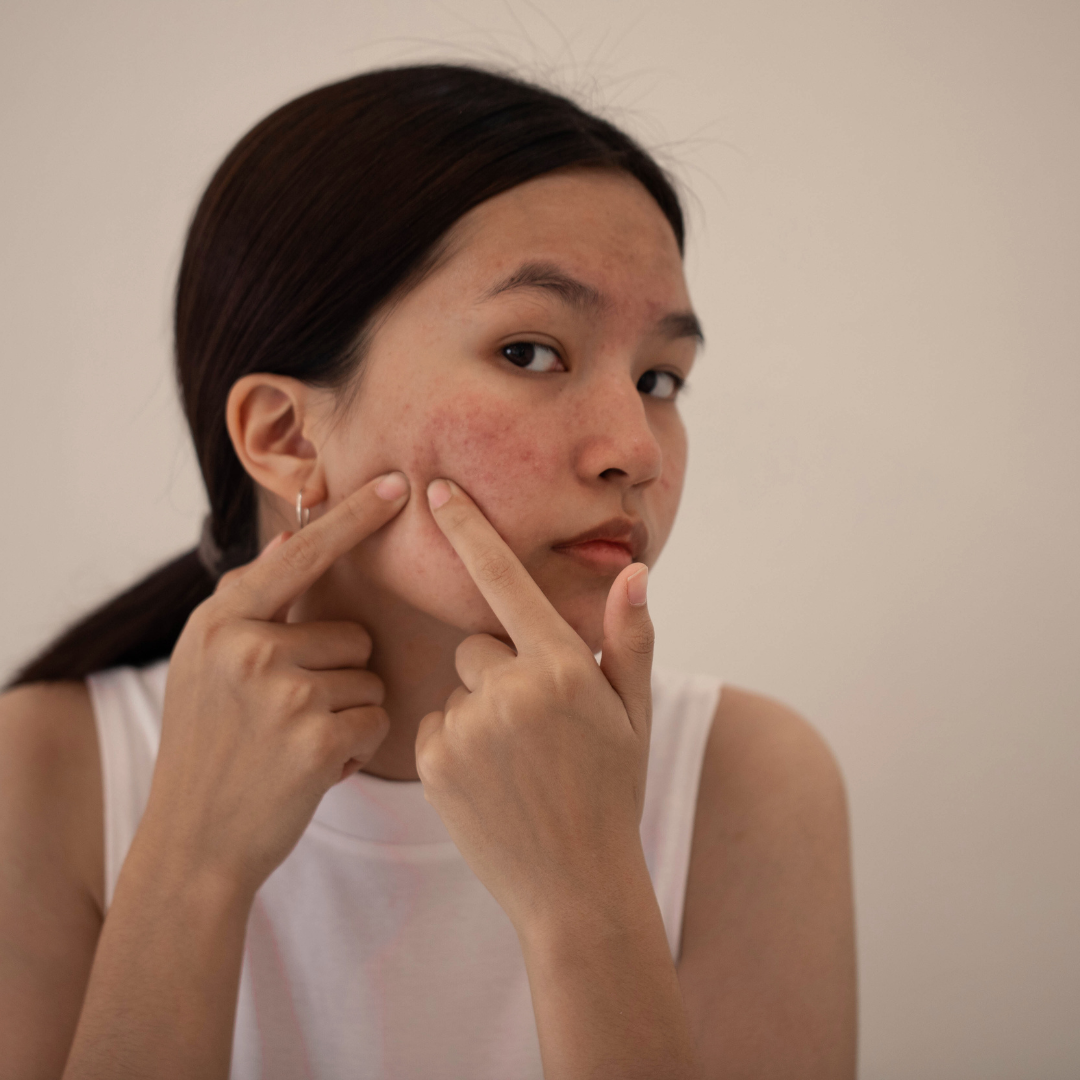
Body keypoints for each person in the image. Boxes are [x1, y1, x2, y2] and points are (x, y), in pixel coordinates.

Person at [0, 64, 856, 1079]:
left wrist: (587, 899)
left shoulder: (744, 781)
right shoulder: (45, 772)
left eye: (658, 378)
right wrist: (190, 863)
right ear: (283, 434)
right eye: (532, 352)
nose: (637, 447)